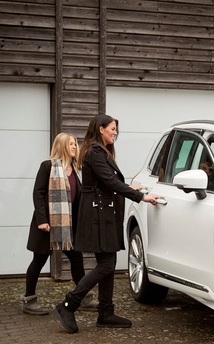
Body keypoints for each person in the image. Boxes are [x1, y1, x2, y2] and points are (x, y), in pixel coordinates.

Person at [53, 115, 159, 334]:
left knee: (107, 264)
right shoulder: (94, 152)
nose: (115, 132)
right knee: (106, 266)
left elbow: (109, 182)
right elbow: (110, 182)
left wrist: (131, 188)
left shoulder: (99, 151)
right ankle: (68, 305)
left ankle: (106, 313)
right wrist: (140, 197)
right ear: (101, 129)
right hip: (97, 216)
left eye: (116, 129)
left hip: (104, 214)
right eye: (112, 129)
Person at [22, 132, 98, 315]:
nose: (75, 147)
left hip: (67, 225)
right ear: (62, 145)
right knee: (39, 261)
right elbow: (38, 193)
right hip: (47, 224)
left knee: (76, 260)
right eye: (71, 144)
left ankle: (83, 297)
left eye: (75, 144)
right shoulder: (48, 166)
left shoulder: (75, 169)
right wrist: (42, 220)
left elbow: (79, 198)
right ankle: (29, 299)